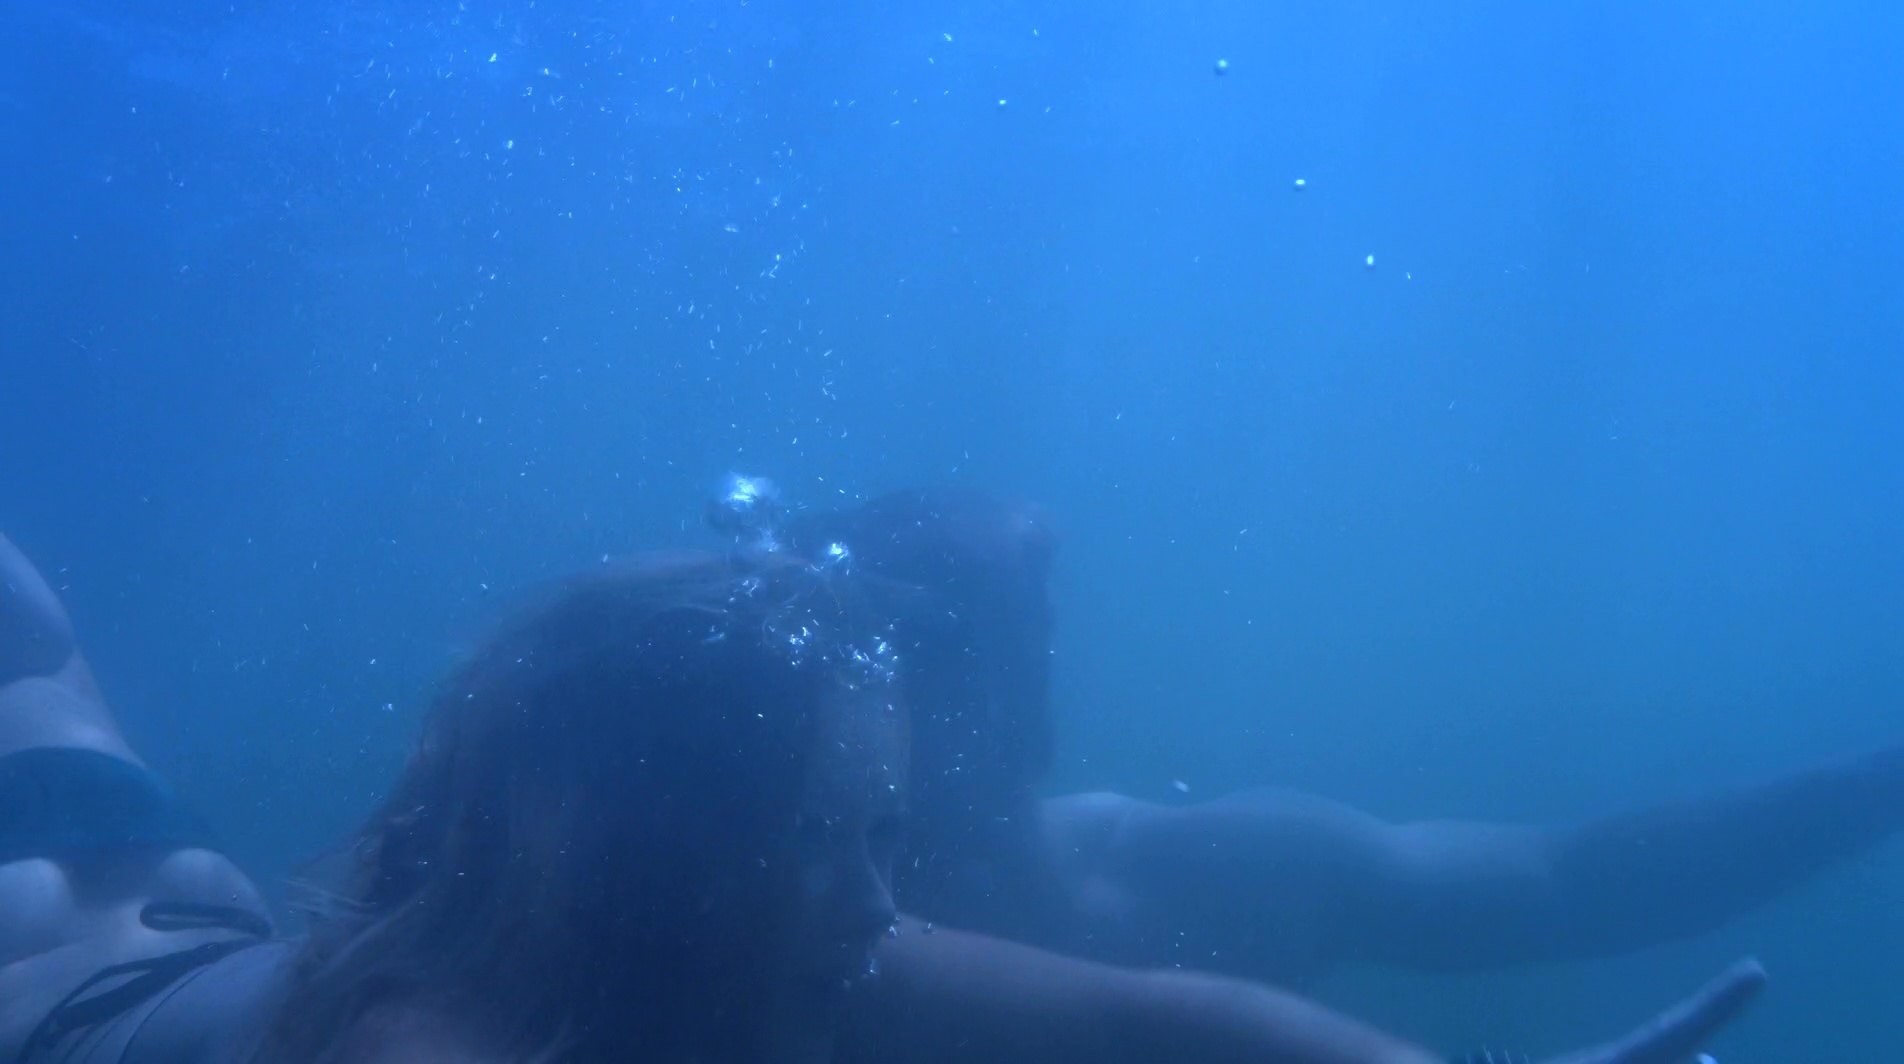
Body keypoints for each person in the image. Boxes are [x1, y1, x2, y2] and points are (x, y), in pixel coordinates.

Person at [0, 530, 1760, 1064]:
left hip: (169, 916)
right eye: (821, 837)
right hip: (47, 993)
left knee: (36, 659)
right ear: (669, 855)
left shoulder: (785, 932)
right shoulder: (445, 1040)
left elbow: (1168, 1022)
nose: (876, 892)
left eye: (881, 831)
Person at [777, 487, 1904, 987]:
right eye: (934, 633)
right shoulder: (747, 909)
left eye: (995, 630)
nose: (966, 676)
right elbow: (1566, 884)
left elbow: (1566, 882)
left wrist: (1879, 784)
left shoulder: (1208, 874)